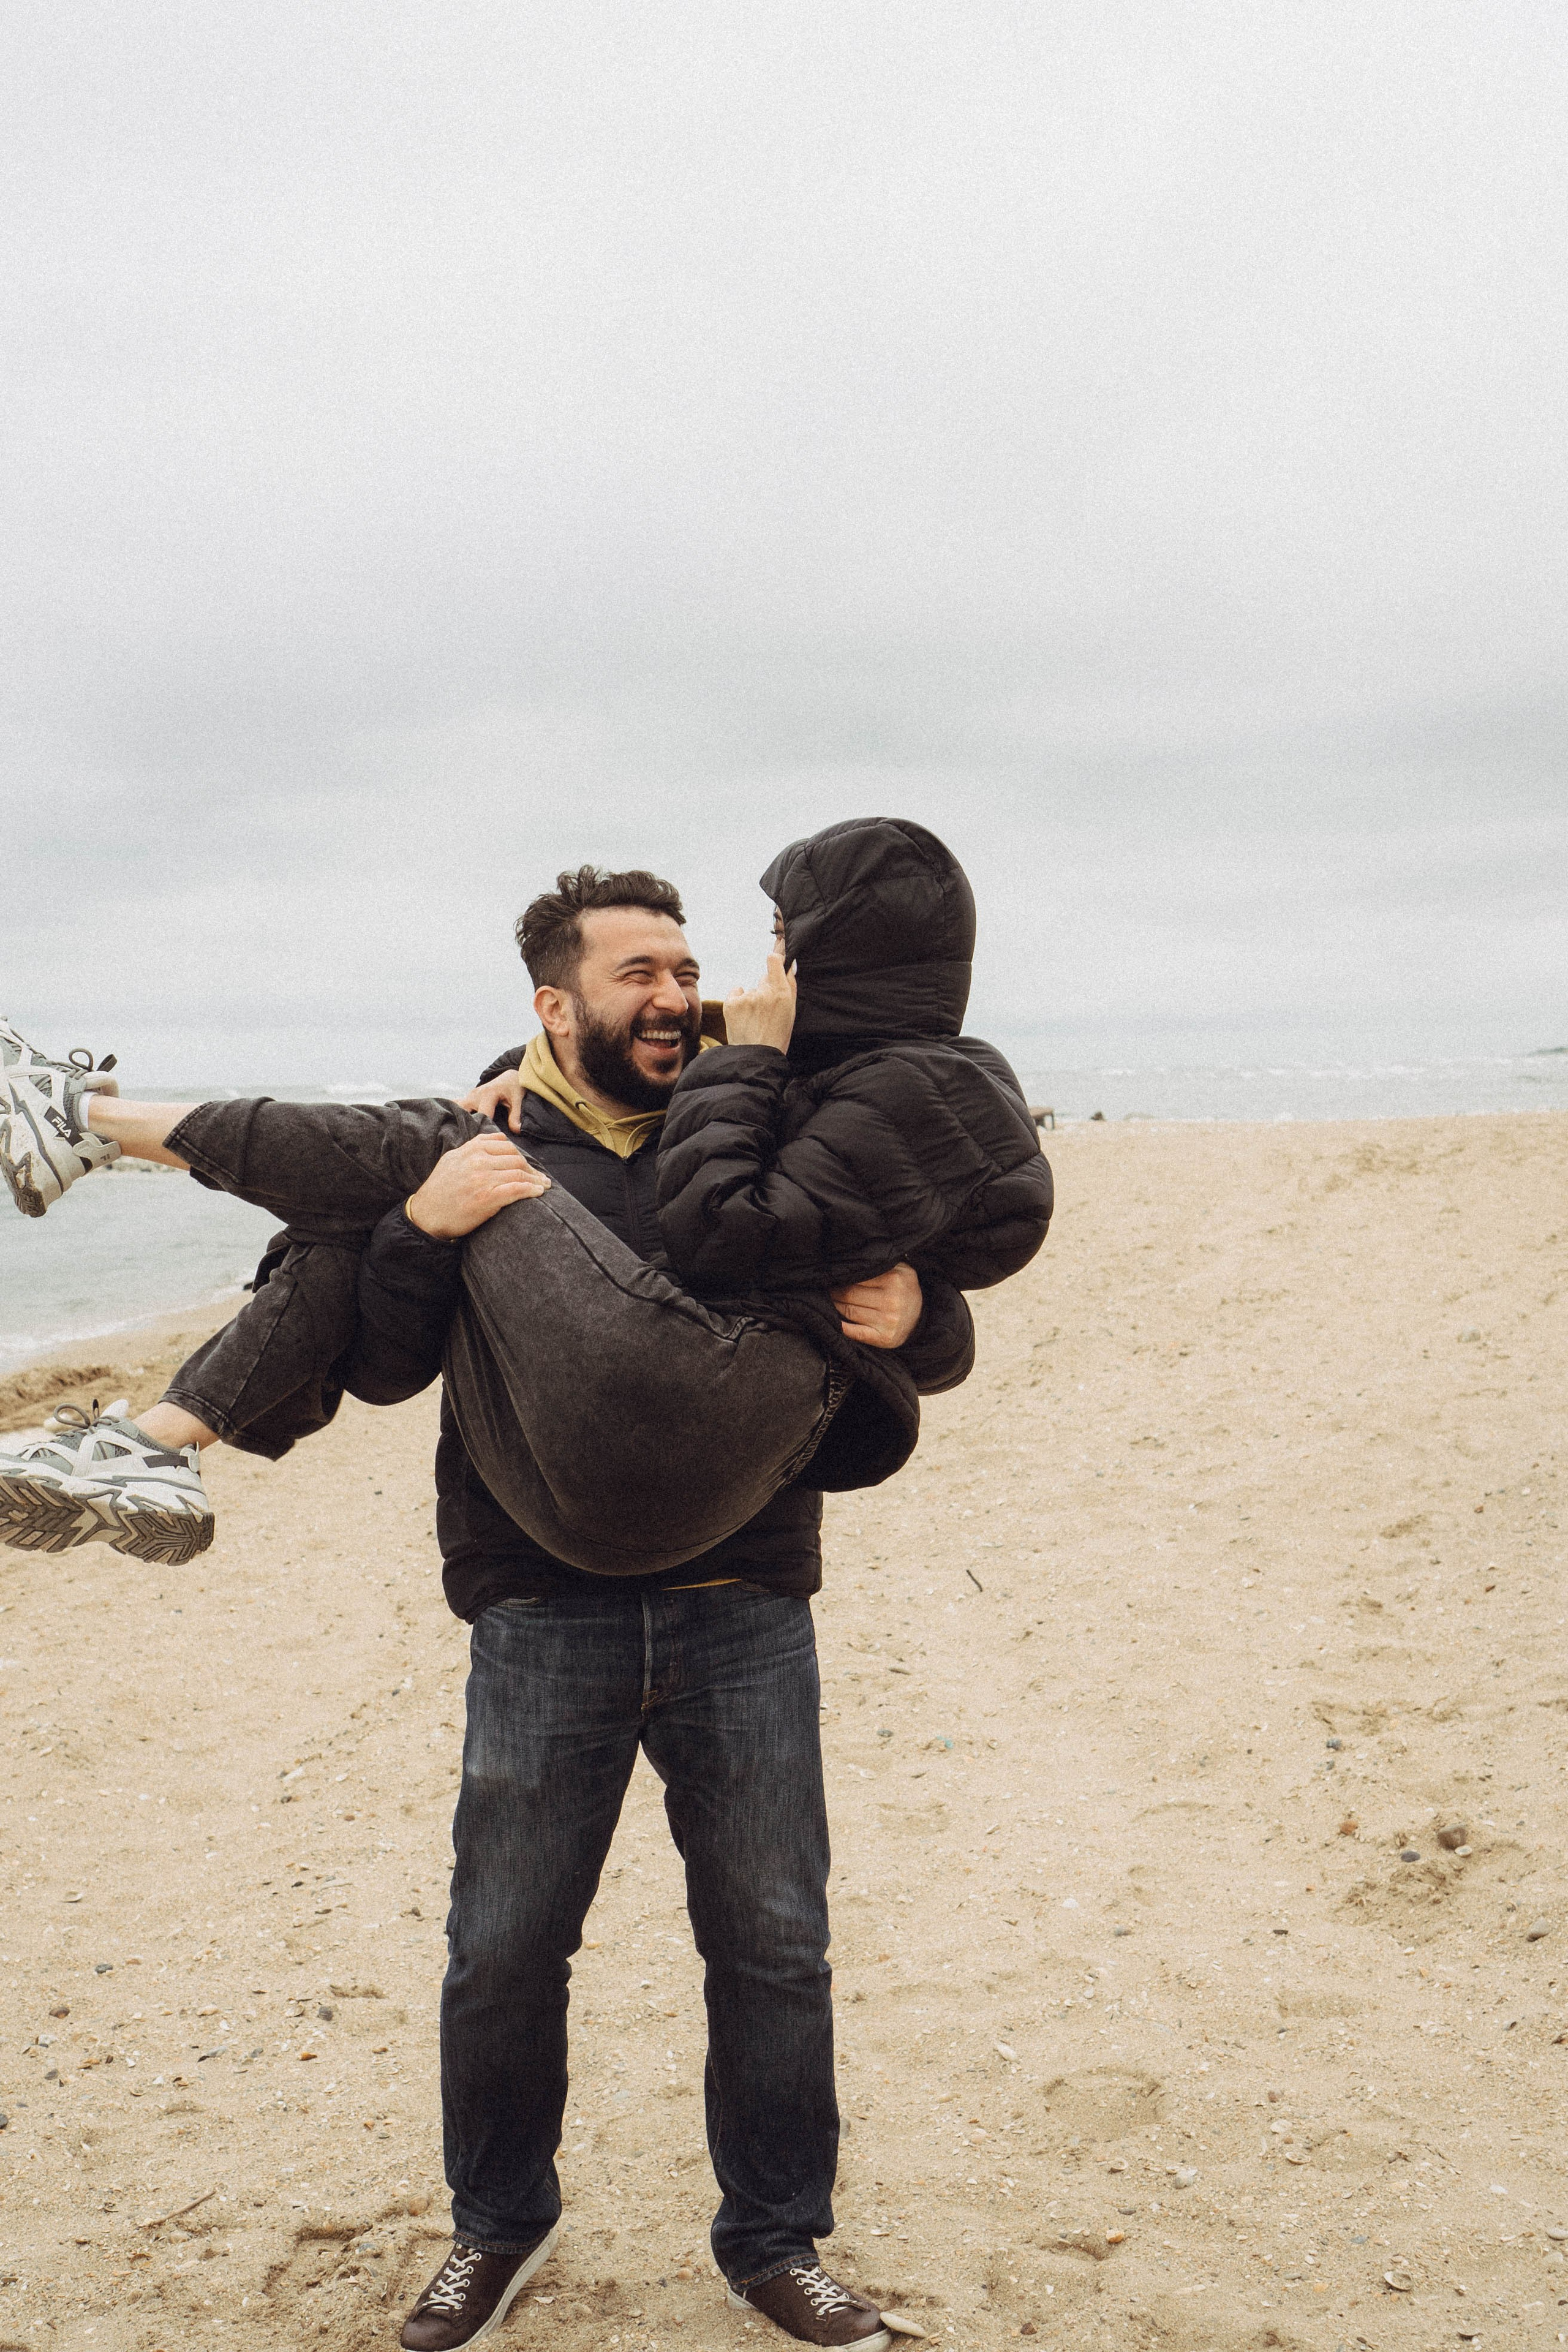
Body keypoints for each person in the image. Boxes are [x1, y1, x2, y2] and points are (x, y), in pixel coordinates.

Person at [0, 820, 1052, 2348]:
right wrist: (424, 1233)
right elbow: (377, 1363)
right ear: (556, 1010)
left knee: (772, 1947)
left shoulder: (759, 1123)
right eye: (640, 974)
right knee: (503, 1951)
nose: (679, 995)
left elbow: (925, 1303)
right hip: (539, 1604)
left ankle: (774, 2243)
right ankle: (495, 2231)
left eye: (689, 967)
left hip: (743, 1601)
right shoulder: (497, 1137)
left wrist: (915, 1319)